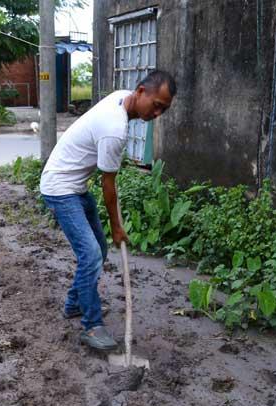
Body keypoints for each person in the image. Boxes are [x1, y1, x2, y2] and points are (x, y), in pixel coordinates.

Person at [40, 70, 177, 351]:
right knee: (90, 254)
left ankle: (74, 304)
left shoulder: (119, 98)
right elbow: (109, 187)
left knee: (98, 250)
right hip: (60, 187)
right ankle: (92, 326)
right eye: (156, 105)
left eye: (164, 108)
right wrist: (117, 227)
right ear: (140, 92)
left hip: (74, 186)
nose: (157, 113)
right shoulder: (115, 129)